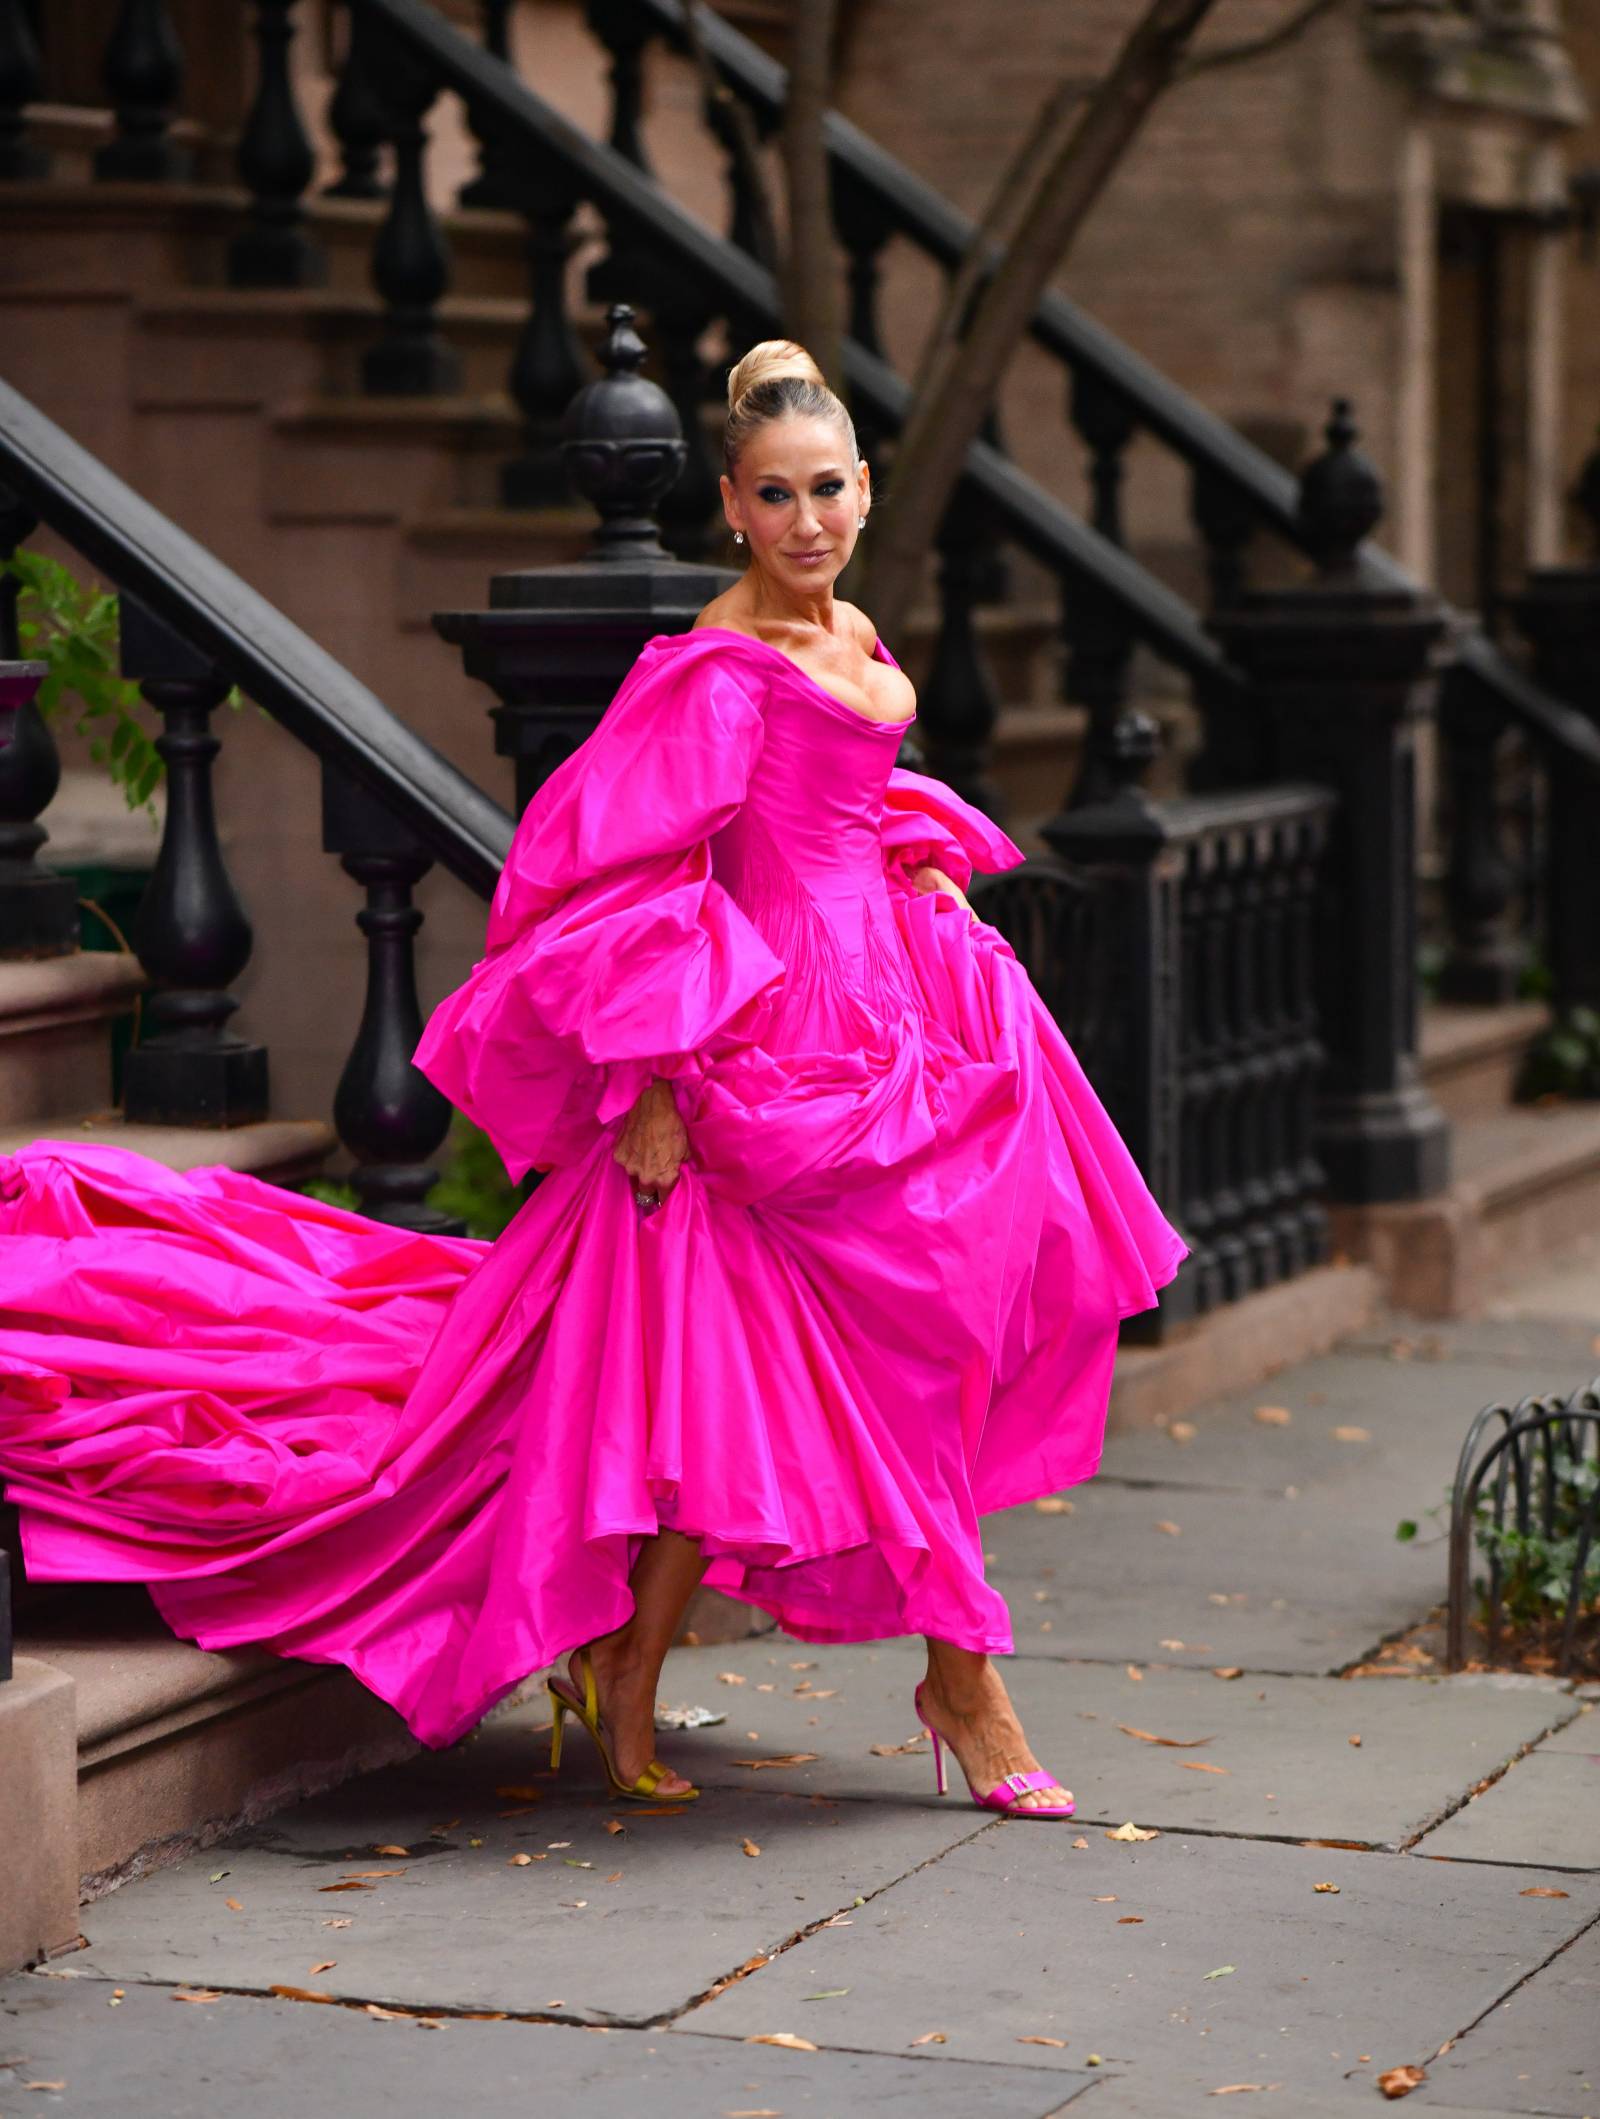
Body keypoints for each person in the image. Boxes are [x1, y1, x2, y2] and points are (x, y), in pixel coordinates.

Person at [0, 341, 1186, 1822]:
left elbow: (851, 799)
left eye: (829, 490)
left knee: (858, 1368)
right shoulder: (712, 666)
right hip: (757, 1045)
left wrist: (925, 862)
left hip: (890, 1023)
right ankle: (948, 1680)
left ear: (866, 493)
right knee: (764, 1377)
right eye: (775, 498)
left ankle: (654, 1658)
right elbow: (615, 873)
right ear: (733, 513)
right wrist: (660, 1085)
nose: (807, 521)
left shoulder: (860, 635)